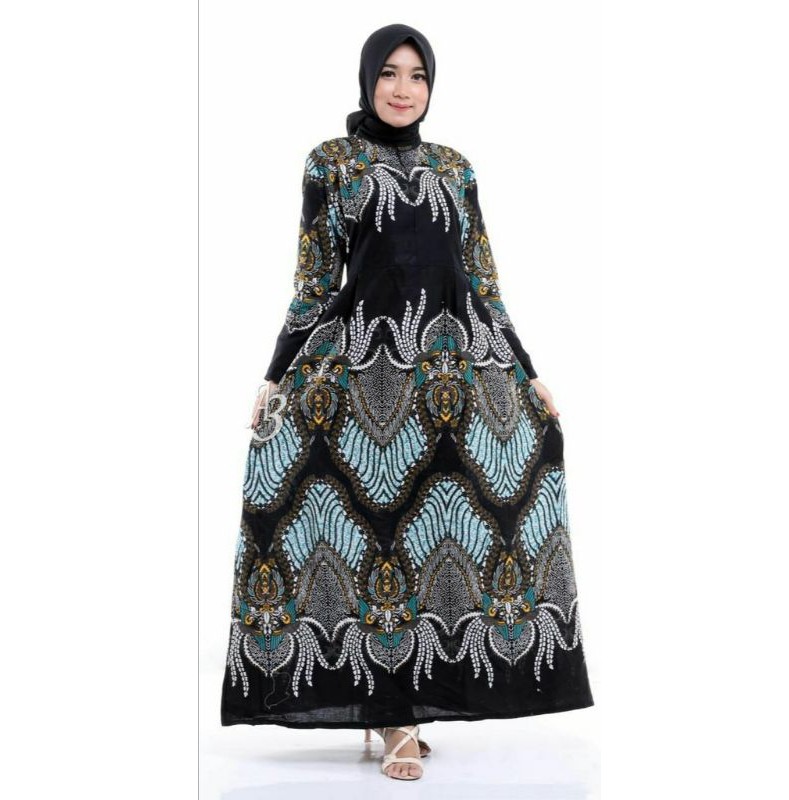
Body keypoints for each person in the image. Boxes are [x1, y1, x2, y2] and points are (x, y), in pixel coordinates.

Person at [221, 22, 594, 782]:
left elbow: (482, 280)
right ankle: (393, 715)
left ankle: (405, 702)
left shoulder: (455, 168)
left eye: (417, 75)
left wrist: (527, 372)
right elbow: (315, 283)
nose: (402, 88)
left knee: (443, 538)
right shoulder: (332, 162)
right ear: (367, 81)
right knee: (376, 533)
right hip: (363, 375)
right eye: (389, 73)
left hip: (452, 373)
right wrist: (275, 375)